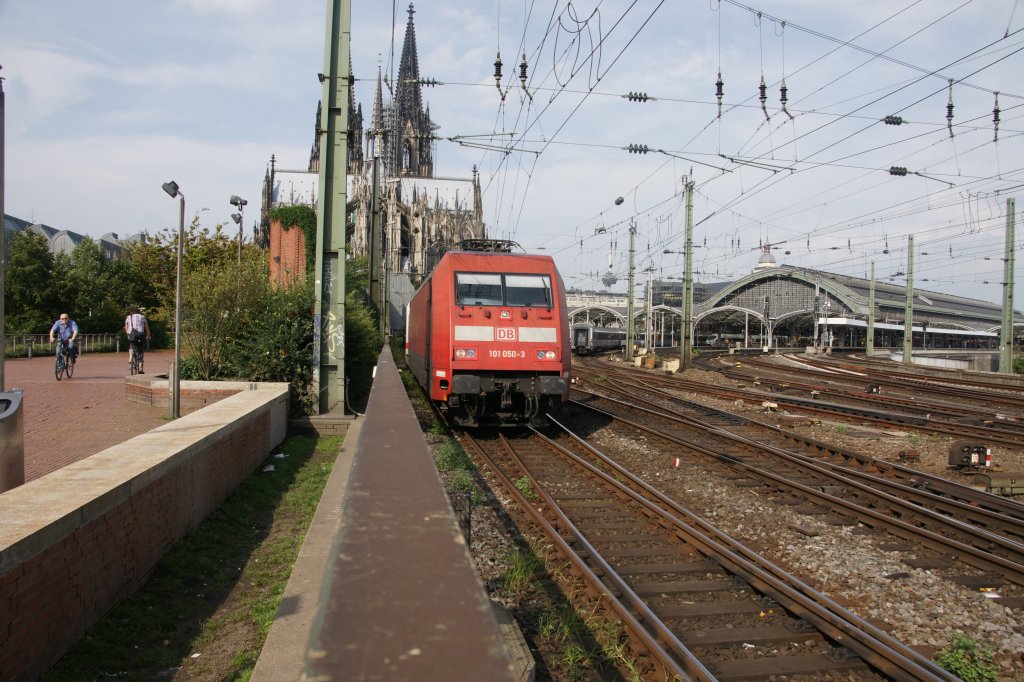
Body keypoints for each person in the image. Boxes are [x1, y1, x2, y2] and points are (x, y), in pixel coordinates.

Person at [124, 306, 152, 374]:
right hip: (140, 335)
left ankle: (130, 357)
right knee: (141, 350)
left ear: (132, 312)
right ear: (139, 312)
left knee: (131, 345)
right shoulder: (142, 317)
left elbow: (126, 327)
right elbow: (146, 328)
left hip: (132, 335)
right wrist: (148, 336)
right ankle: (140, 368)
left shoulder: (128, 317)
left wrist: (128, 333)